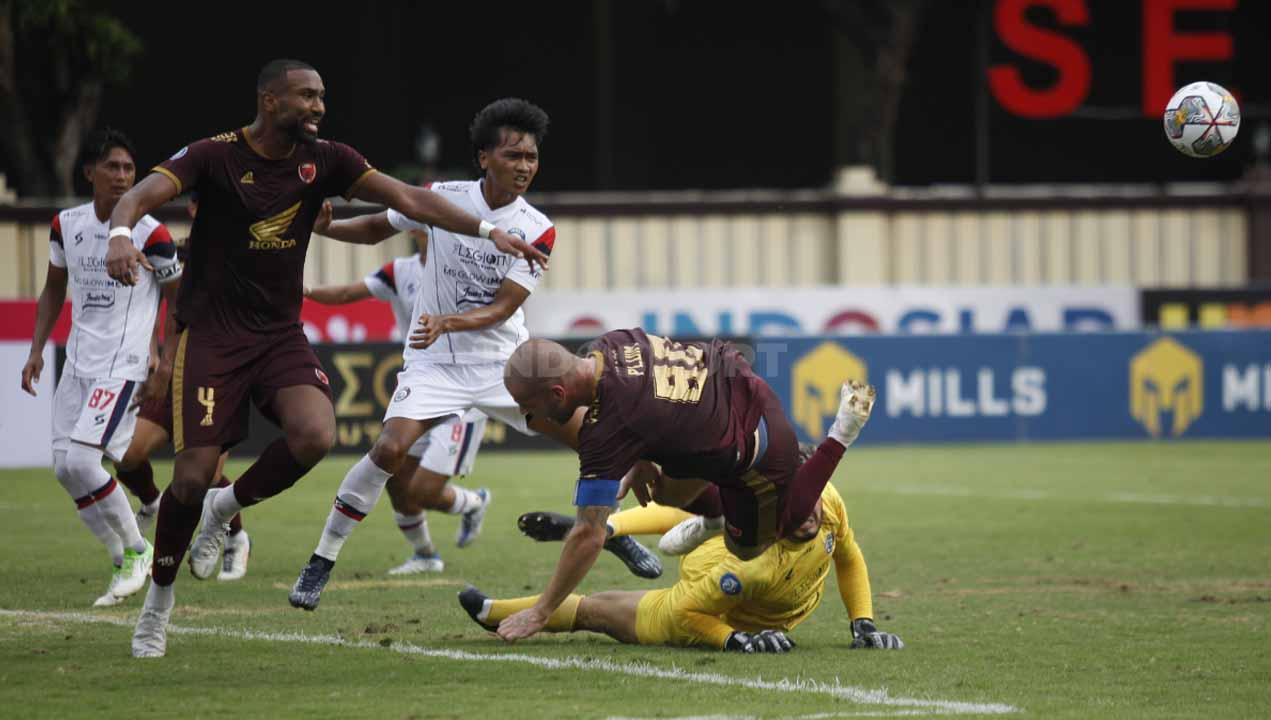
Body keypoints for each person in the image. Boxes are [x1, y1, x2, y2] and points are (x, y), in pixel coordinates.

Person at [103, 59, 548, 659]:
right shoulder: (214, 155)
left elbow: (407, 198)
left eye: (322, 97)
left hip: (279, 335)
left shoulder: (328, 158)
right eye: (306, 97)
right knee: (186, 479)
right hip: (212, 338)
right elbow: (139, 194)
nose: (317, 107)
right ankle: (158, 606)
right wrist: (120, 235)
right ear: (269, 100)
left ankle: (226, 506)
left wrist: (487, 232)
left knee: (315, 436)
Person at [288, 96, 583, 611]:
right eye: (513, 155)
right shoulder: (441, 198)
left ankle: (616, 532)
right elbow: (379, 226)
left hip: (504, 366)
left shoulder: (537, 228)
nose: (525, 166)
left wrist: (448, 320)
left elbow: (503, 307)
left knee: (591, 436)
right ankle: (321, 559)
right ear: (484, 158)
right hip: (436, 364)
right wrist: (326, 226)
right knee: (387, 451)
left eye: (532, 157)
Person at [495, 330, 875, 642]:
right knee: (664, 491)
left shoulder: (607, 428)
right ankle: (711, 516)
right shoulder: (610, 344)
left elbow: (587, 534)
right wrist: (639, 457)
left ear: (558, 395)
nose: (530, 418)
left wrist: (542, 611)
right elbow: (649, 407)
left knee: (754, 542)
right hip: (736, 386)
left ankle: (841, 433)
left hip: (762, 447)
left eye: (529, 408)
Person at [20, 128, 180, 607]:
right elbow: (53, 289)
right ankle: (119, 556)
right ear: (89, 172)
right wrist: (35, 349)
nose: (123, 176)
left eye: (130, 169)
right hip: (78, 360)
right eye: (113, 167)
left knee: (84, 462)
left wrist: (165, 360)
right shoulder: (64, 225)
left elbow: (179, 298)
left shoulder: (152, 234)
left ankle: (139, 550)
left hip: (123, 364)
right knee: (63, 469)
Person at [467, 480, 903, 652]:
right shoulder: (745, 571)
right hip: (710, 593)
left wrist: (862, 623)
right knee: (598, 614)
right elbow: (686, 613)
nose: (811, 515)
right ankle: (498, 612)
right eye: (797, 510)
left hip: (747, 563)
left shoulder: (827, 501)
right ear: (775, 518)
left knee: (706, 514)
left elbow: (848, 554)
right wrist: (734, 639)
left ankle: (611, 529)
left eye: (811, 504)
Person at [304, 213, 493, 572]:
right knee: (396, 477)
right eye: (424, 218)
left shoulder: (467, 267)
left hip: (463, 390)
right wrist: (306, 291)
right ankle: (425, 555)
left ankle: (472, 502)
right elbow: (347, 292)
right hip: (424, 384)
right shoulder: (399, 271)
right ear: (412, 228)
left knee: (423, 489)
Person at [114, 194, 252, 582]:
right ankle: (153, 502)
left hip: (220, 376)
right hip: (173, 373)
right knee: (125, 454)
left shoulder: (243, 256)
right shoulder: (171, 254)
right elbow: (150, 302)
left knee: (206, 475)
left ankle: (238, 538)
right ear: (194, 209)